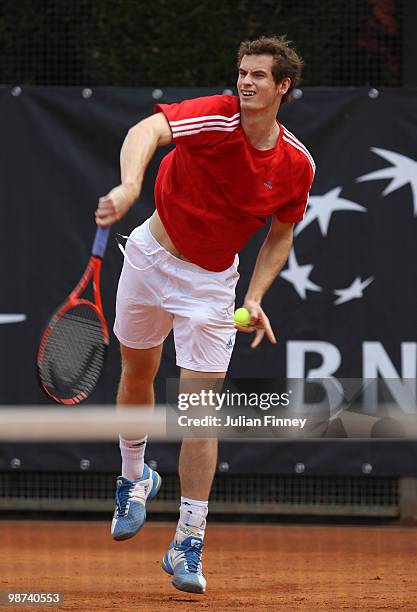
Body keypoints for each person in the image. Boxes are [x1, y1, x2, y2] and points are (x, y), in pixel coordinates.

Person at [95, 35, 315, 595]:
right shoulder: (215, 117)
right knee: (137, 374)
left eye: (259, 76)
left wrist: (257, 296)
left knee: (200, 411)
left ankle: (190, 537)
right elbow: (147, 130)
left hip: (211, 286)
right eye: (242, 72)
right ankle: (134, 476)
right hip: (149, 256)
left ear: (282, 86)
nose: (245, 82)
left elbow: (280, 234)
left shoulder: (295, 164)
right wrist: (129, 184)